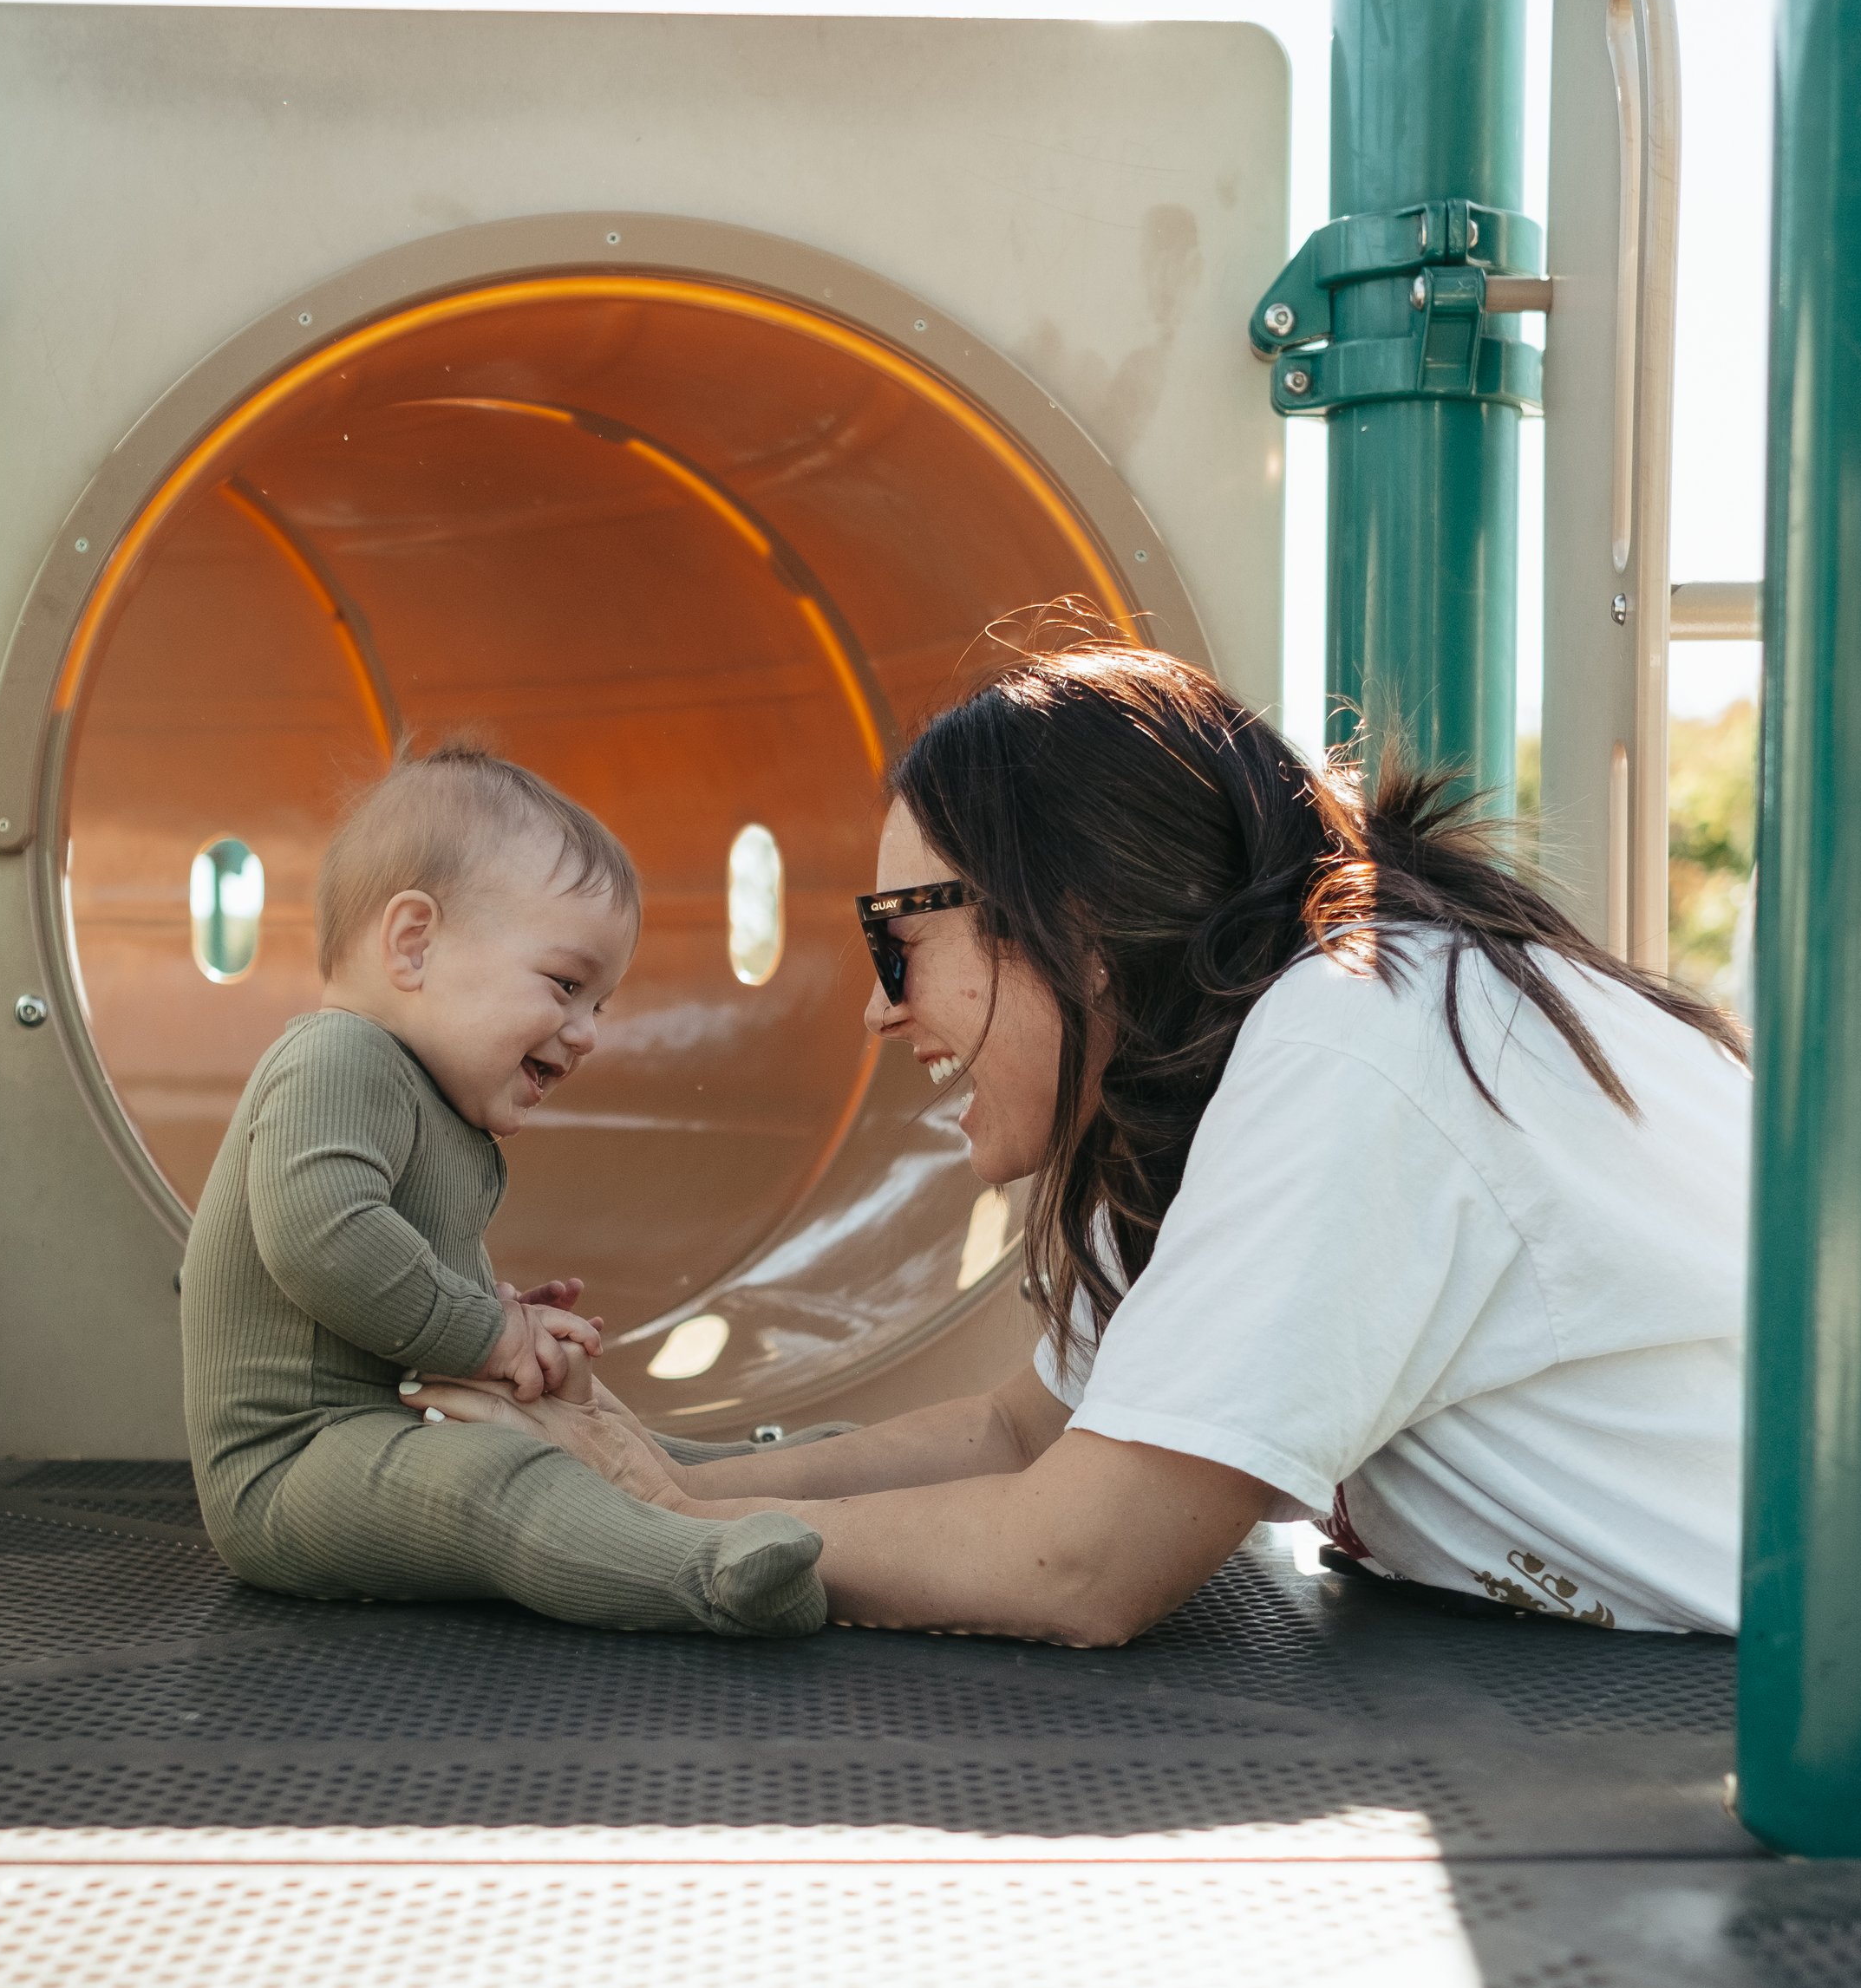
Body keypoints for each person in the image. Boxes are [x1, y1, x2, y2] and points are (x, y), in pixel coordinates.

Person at [414, 645, 1751, 1647]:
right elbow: (1020, 1436)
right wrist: (650, 1468)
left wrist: (650, 1524)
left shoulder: (1353, 1035)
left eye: (901, 936)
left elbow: (1082, 1561)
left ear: (1078, 922)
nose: (882, 1006)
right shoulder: (1214, 1070)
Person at [179, 745, 826, 1637]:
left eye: (599, 1004)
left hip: (384, 1431)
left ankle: (780, 1477)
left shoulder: (433, 1107)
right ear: (415, 943)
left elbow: (399, 1290)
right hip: (292, 1466)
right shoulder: (334, 1058)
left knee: (598, 1432)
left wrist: (511, 1318)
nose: (588, 1033)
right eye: (566, 985)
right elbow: (321, 1239)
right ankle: (705, 1573)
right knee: (509, 1484)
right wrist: (490, 1334)